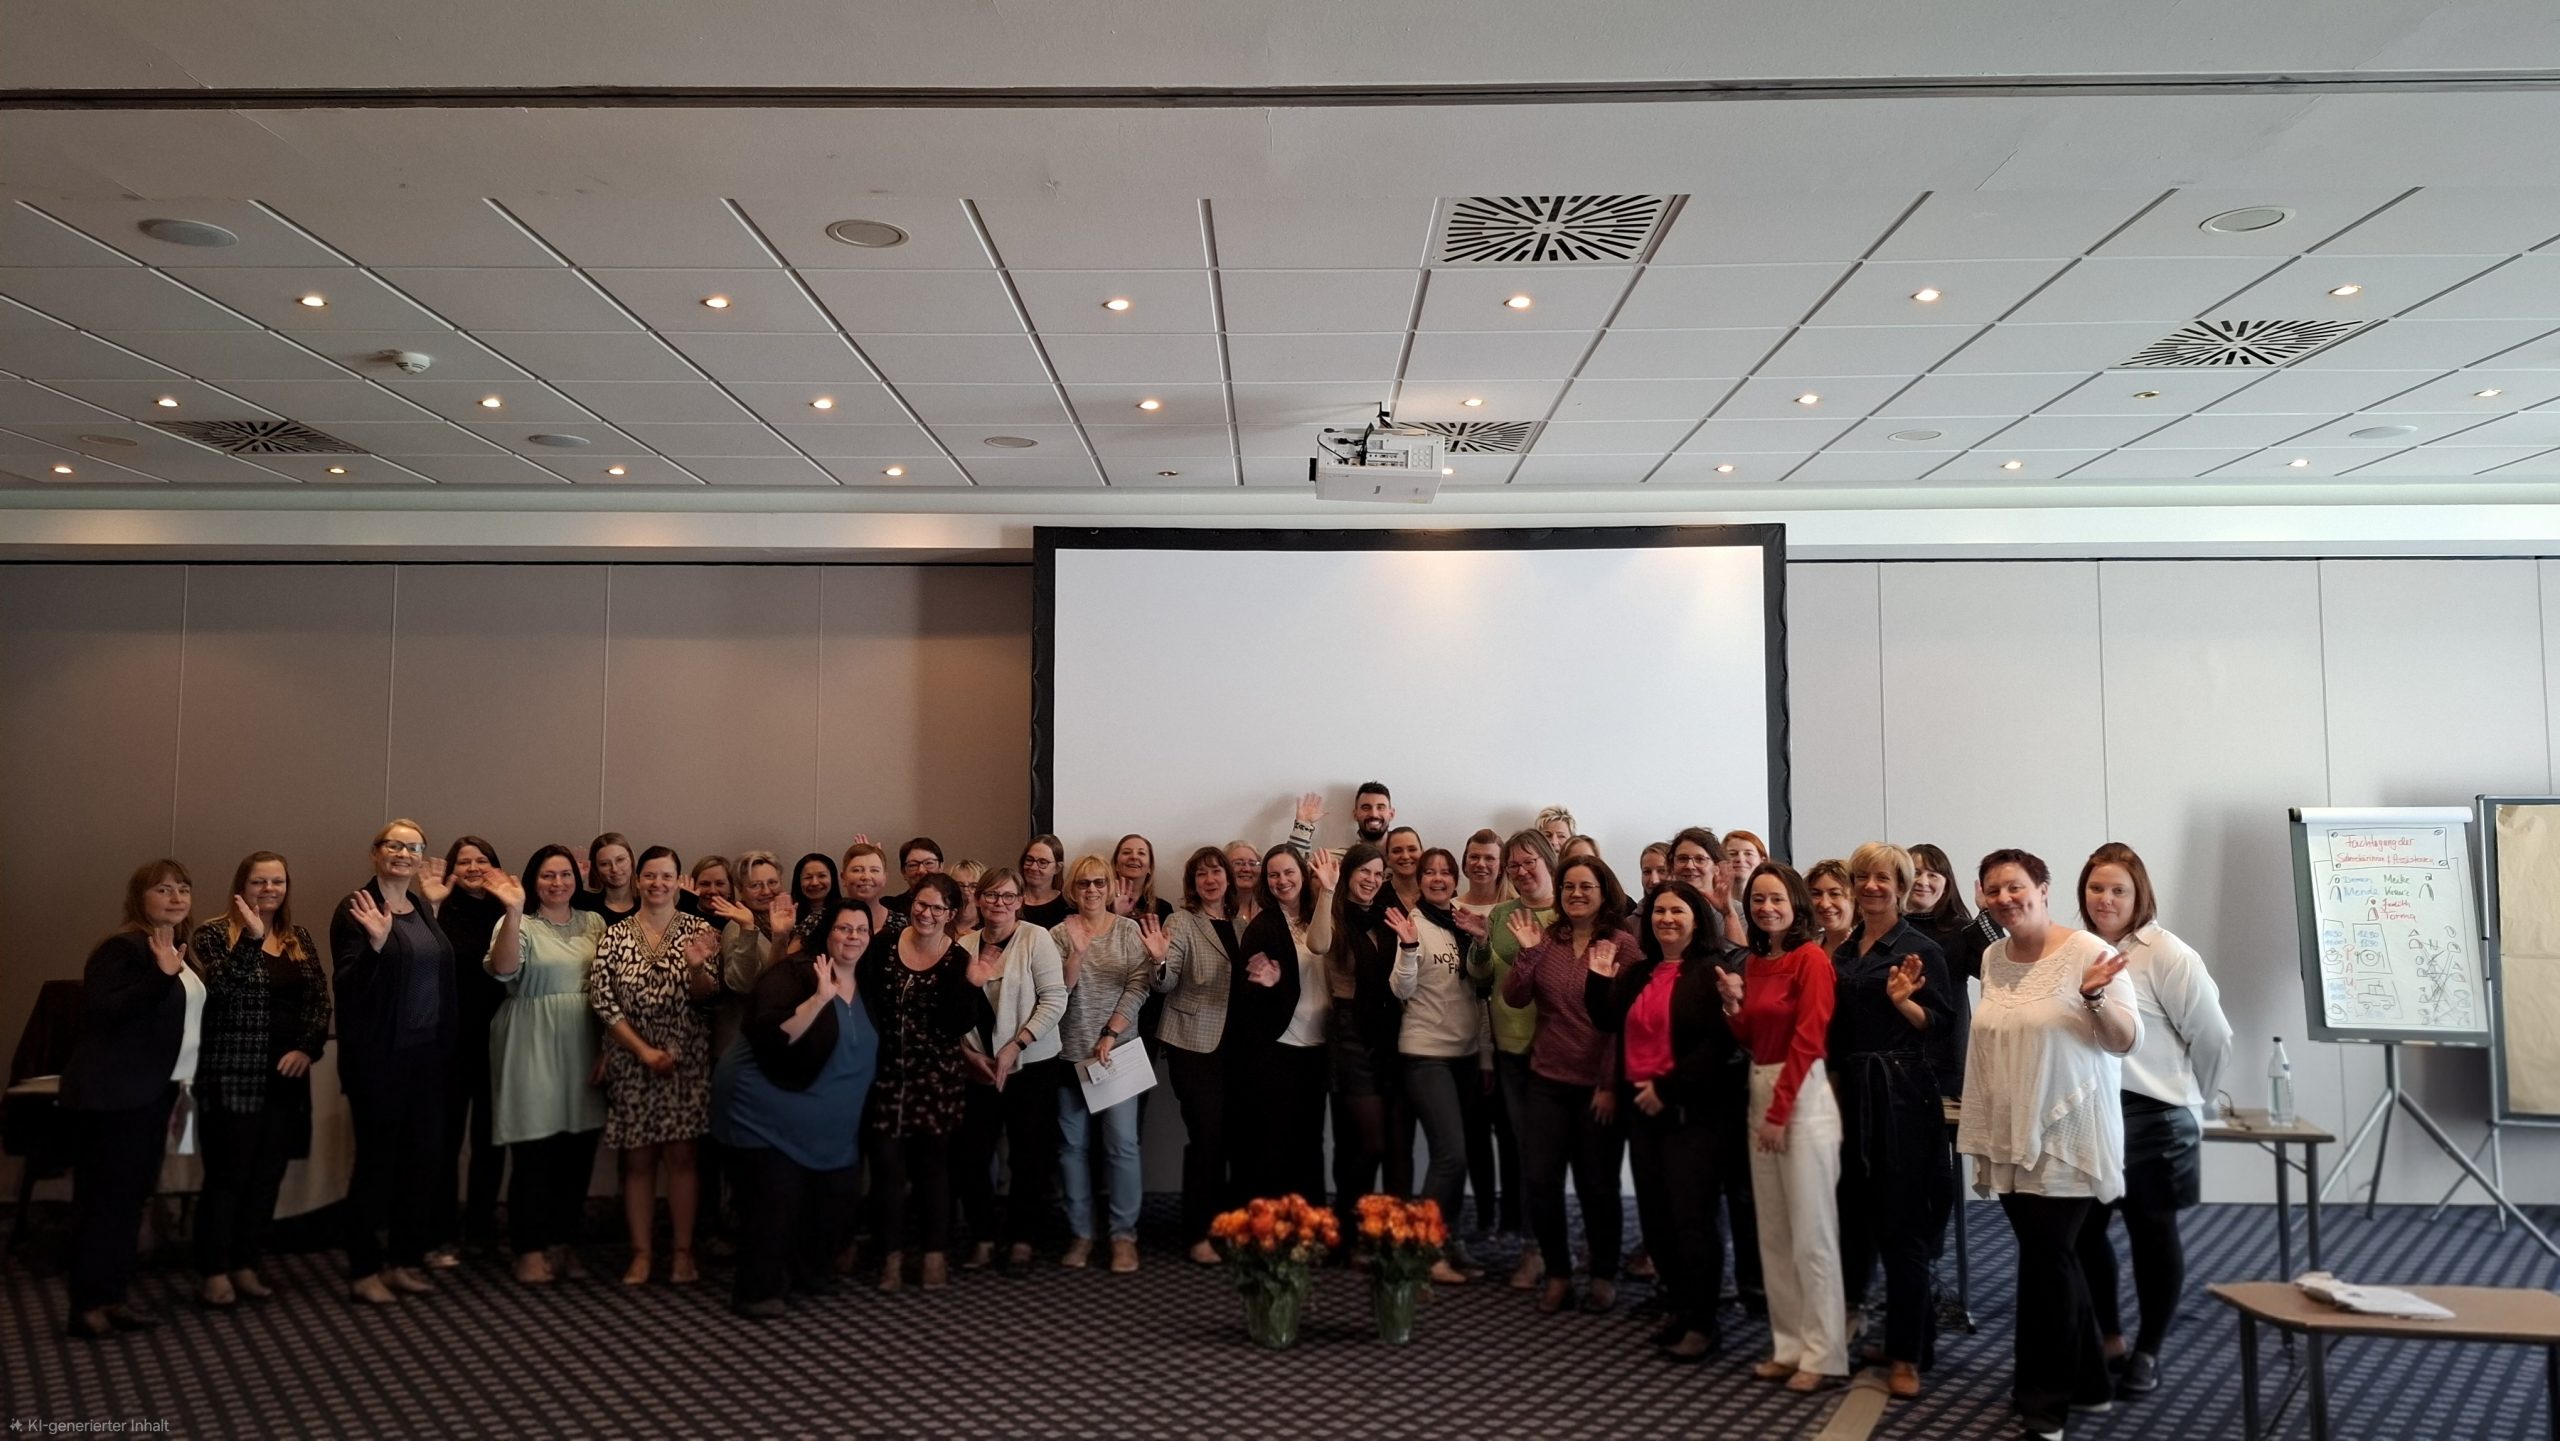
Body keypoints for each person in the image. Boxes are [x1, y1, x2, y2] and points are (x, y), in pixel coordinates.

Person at [1957, 849, 2140, 1441]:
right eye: (1992, 891)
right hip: (2011, 1132)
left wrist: (2092, 998)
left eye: (2015, 887)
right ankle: (2089, 1384)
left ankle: (2044, 1402)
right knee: (2052, 1257)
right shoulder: (1992, 955)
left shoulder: (2089, 952)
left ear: (2042, 887)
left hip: (2069, 1134)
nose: (2004, 899)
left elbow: (2125, 1041)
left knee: (2044, 1260)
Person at [2071, 842, 2232, 1397]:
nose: (2106, 899)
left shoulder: (2168, 953)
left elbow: (2213, 1037)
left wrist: (2193, 1099)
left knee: (2152, 1234)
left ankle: (2148, 1351)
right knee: (2084, 1232)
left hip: (2157, 1119)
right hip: (2091, 1113)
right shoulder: (2075, 950)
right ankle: (2110, 1337)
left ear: (2140, 894)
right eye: (2096, 888)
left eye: (2118, 889)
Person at [1586, 879, 1740, 1363]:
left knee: (1692, 1219)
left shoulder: (1711, 970)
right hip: (1642, 1110)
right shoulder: (1640, 972)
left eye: (1677, 911)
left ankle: (1703, 1322)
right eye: (1658, 912)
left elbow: (1718, 1045)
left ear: (1698, 919)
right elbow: (1609, 1022)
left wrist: (1666, 1088)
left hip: (1692, 1111)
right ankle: (1678, 1307)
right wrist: (1596, 979)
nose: (1666, 919)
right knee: (1657, 1218)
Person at [712, 897, 880, 1318]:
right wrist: (819, 1000)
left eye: (861, 930)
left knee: (836, 1201)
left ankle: (807, 1273)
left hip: (830, 1128)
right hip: (766, 1113)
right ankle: (758, 1290)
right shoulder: (795, 973)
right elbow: (770, 1033)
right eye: (844, 928)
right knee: (774, 1203)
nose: (853, 937)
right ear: (827, 933)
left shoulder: (867, 981)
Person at [1832, 843, 1956, 1399]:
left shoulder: (1920, 947)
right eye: (1863, 877)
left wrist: (1905, 1003)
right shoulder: (1841, 951)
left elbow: (1942, 1027)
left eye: (1883, 878)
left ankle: (1907, 1353)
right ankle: (1902, 1335)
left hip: (1902, 1095)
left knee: (1903, 1226)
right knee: (1857, 1219)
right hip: (1850, 1094)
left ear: (1902, 886)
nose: (1871, 887)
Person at [60, 861, 204, 1338]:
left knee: (128, 1200)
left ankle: (113, 1296)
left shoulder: (182, 950)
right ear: (139, 897)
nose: (176, 897)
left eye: (183, 889)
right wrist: (160, 977)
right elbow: (105, 1009)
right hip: (111, 1096)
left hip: (153, 1093)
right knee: (102, 1201)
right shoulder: (122, 948)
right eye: (163, 889)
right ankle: (86, 1305)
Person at [1725, 861, 1847, 1392]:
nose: (1766, 908)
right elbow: (1754, 1037)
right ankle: (1790, 1345)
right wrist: (1732, 1006)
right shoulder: (1756, 961)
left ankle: (1825, 1353)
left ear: (1796, 904)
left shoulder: (1811, 958)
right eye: (1757, 900)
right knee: (1773, 1232)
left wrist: (1778, 1115)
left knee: (1812, 1235)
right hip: (1761, 1085)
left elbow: (1809, 1039)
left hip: (1801, 1095)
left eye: (1776, 899)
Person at [189, 852, 329, 1308]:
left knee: (267, 1176)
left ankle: (246, 1263)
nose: (270, 889)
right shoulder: (211, 933)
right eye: (259, 881)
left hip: (286, 1075)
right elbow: (219, 993)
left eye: (278, 881)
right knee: (228, 1175)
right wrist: (250, 939)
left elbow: (318, 999)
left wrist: (307, 1047)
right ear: (241, 885)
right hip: (232, 1073)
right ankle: (214, 1270)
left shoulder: (297, 936)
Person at [1500, 852, 1633, 1315]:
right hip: (1547, 1080)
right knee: (1541, 1180)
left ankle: (1602, 1274)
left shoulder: (1622, 945)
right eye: (1569, 887)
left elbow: (1624, 1024)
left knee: (1597, 1184)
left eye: (1586, 887)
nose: (1576, 895)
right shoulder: (1547, 940)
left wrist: (1611, 1083)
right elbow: (1515, 998)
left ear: (1604, 893)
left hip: (1599, 1084)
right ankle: (1557, 1273)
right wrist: (1530, 953)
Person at [333, 819, 458, 1305]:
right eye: (395, 845)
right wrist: (379, 946)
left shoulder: (422, 908)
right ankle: (364, 1267)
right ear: (375, 853)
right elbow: (347, 982)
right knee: (377, 1165)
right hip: (380, 1061)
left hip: (427, 1059)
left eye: (414, 846)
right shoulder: (357, 908)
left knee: (422, 1162)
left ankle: (404, 1259)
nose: (404, 853)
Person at [588, 846, 721, 1286]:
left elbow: (708, 998)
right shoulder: (616, 933)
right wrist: (643, 1051)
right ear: (639, 880)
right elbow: (603, 1000)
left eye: (667, 876)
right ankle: (641, 1254)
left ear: (679, 882)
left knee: (683, 1158)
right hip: (631, 1059)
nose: (658, 884)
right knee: (637, 1161)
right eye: (650, 876)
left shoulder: (699, 929)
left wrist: (698, 968)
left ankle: (683, 1253)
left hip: (686, 1059)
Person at [858, 873, 995, 1292]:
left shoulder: (957, 960)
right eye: (921, 904)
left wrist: (972, 987)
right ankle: (891, 1259)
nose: (927, 913)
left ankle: (934, 1255)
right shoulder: (883, 946)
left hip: (936, 1078)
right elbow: (865, 1001)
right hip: (886, 1075)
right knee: (887, 1171)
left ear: (951, 914)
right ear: (910, 904)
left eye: (937, 908)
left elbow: (955, 1024)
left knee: (934, 1170)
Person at [482, 845, 609, 1285]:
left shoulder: (594, 922)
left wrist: (609, 1049)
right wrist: (514, 911)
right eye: (548, 876)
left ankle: (563, 1243)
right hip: (530, 1038)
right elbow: (502, 970)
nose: (558, 883)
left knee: (577, 1152)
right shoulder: (516, 922)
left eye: (566, 875)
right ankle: (529, 1248)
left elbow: (612, 988)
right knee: (534, 1150)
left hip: (586, 1041)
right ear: (533, 881)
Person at [951, 867, 1069, 1271]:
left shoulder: (1037, 939)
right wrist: (970, 1056)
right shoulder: (963, 946)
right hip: (978, 1067)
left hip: (1032, 1065)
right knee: (972, 1156)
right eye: (991, 896)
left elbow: (1055, 1001)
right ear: (978, 900)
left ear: (1020, 901)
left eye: (1007, 897)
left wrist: (1016, 1046)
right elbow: (952, 1014)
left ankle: (1023, 1238)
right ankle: (983, 1237)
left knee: (1029, 1156)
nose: (999, 903)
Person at [1669, 826, 1761, 1313]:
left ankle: (1751, 1288)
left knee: (1740, 1190)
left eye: (1698, 859)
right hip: (1681, 1073)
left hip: (1734, 1070)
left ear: (1717, 866)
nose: (1689, 866)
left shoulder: (1740, 911)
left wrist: (1726, 910)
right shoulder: (1659, 910)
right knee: (1691, 1194)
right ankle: (1697, 1286)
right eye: (1680, 859)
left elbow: (1741, 969)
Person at [1050, 853, 1158, 1272]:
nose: (1091, 890)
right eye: (1083, 884)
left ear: (1111, 887)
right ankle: (1081, 1234)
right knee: (1072, 1149)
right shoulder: (1059, 933)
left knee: (1123, 1148)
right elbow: (1057, 991)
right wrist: (1076, 954)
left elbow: (1140, 984)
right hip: (1068, 1054)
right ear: (1072, 890)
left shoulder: (1128, 930)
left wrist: (1111, 1032)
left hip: (1117, 1052)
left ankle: (1123, 1237)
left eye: (1099, 883)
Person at [1466, 829, 1558, 1289]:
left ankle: (1561, 1249)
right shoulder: (1502, 913)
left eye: (1530, 863)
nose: (1522, 873)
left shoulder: (1572, 911)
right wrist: (1482, 944)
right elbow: (1482, 979)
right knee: (1526, 1154)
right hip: (1511, 1050)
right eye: (1514, 867)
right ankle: (1534, 1249)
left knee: (1558, 1154)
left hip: (1560, 1051)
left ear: (1549, 861)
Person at [1391, 847, 1483, 1283]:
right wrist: (1408, 948)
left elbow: (1480, 987)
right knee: (1450, 1155)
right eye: (1431, 872)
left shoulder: (1464, 922)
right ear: (1421, 879)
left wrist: (1481, 941)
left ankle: (1446, 1240)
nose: (1439, 878)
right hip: (1425, 1053)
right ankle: (1421, 1252)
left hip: (1465, 1056)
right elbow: (1401, 989)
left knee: (1460, 1159)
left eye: (1446, 872)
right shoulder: (1414, 924)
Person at [1155, 847, 1247, 1263]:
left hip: (1241, 1048)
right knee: (1206, 1138)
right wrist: (1158, 958)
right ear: (1192, 883)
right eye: (1202, 874)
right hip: (1194, 1045)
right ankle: (1198, 1234)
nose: (1211, 880)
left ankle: (1229, 1227)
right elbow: (1166, 980)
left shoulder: (1244, 923)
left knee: (1234, 1140)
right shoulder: (1182, 921)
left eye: (1217, 872)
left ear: (1229, 878)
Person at [1233, 845, 1332, 1203]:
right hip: (1279, 1048)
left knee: (1312, 1140)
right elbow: (1244, 993)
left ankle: (1314, 1226)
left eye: (1288, 872)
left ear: (1303, 875)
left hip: (1322, 1047)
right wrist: (1269, 985)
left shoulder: (1325, 914)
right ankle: (1273, 1229)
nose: (1281, 880)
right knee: (1276, 1140)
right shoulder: (1262, 926)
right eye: (1273, 874)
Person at [425, 834, 507, 1266]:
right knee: (446, 1139)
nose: (474, 868)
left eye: (482, 860)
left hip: (499, 1038)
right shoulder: (439, 908)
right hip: (450, 1041)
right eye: (465, 861)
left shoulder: (511, 909)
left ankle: (481, 1230)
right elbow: (425, 960)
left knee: (491, 1140)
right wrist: (433, 903)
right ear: (452, 869)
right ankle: (440, 1233)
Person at [1325, 842, 1410, 1239]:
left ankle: (1360, 1228)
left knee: (1380, 1143)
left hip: (1388, 1030)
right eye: (1365, 872)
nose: (1373, 881)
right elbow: (1316, 945)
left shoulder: (1383, 918)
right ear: (1348, 874)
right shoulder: (1331, 916)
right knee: (1368, 1141)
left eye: (1379, 874)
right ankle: (1349, 1226)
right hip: (1350, 1034)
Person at [1453, 826, 1516, 1239]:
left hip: (1507, 1031)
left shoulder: (1513, 910)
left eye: (1490, 858)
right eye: (1474, 856)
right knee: (1473, 1132)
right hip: (1463, 1031)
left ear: (1501, 865)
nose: (1481, 864)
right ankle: (1484, 1216)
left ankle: (1513, 1217)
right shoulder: (1449, 906)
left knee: (1510, 1132)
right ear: (1465, 861)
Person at [1904, 841, 1986, 1098]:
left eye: (1933, 874)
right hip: (1898, 1050)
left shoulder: (1962, 930)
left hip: (1948, 1054)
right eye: (1915, 872)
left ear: (1946, 883)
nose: (1923, 881)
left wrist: (1986, 914)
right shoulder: (1886, 929)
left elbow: (1995, 969)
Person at [576, 832, 640, 925]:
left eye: (620, 860)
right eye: (605, 864)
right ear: (595, 869)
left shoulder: (649, 904)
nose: (614, 869)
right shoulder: (584, 905)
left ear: (631, 860)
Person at [841, 842, 896, 939]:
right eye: (857, 870)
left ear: (885, 878)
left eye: (874, 870)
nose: (866, 877)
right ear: (843, 878)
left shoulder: (903, 925)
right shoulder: (819, 920)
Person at [1018, 834, 1070, 928]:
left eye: (1042, 862)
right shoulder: (1010, 901)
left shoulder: (1068, 906)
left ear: (1057, 868)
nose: (1033, 867)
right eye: (1029, 860)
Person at [1806, 859, 1856, 952]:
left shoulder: (1866, 950)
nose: (1825, 904)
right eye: (1816, 894)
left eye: (1835, 894)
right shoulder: (1806, 947)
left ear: (1854, 899)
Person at [887, 837, 944, 918]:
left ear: (941, 867)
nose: (921, 870)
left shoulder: (953, 905)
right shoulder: (891, 907)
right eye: (913, 865)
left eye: (928, 863)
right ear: (903, 872)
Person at [788, 853, 840, 942]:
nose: (814, 882)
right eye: (808, 877)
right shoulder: (787, 915)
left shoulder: (843, 913)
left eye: (822, 876)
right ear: (798, 882)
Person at [1384, 826, 1425, 909]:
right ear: (1387, 858)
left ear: (1422, 854)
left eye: (1412, 849)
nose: (1405, 856)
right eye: (1397, 851)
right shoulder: (1375, 897)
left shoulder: (1438, 891)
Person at [1226, 841, 1265, 928]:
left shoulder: (1267, 907)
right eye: (1238, 863)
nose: (1246, 869)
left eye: (1252, 864)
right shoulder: (1216, 910)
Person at [945, 859, 985, 935]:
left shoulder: (988, 928)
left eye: (973, 886)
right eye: (960, 885)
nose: (966, 891)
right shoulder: (940, 922)